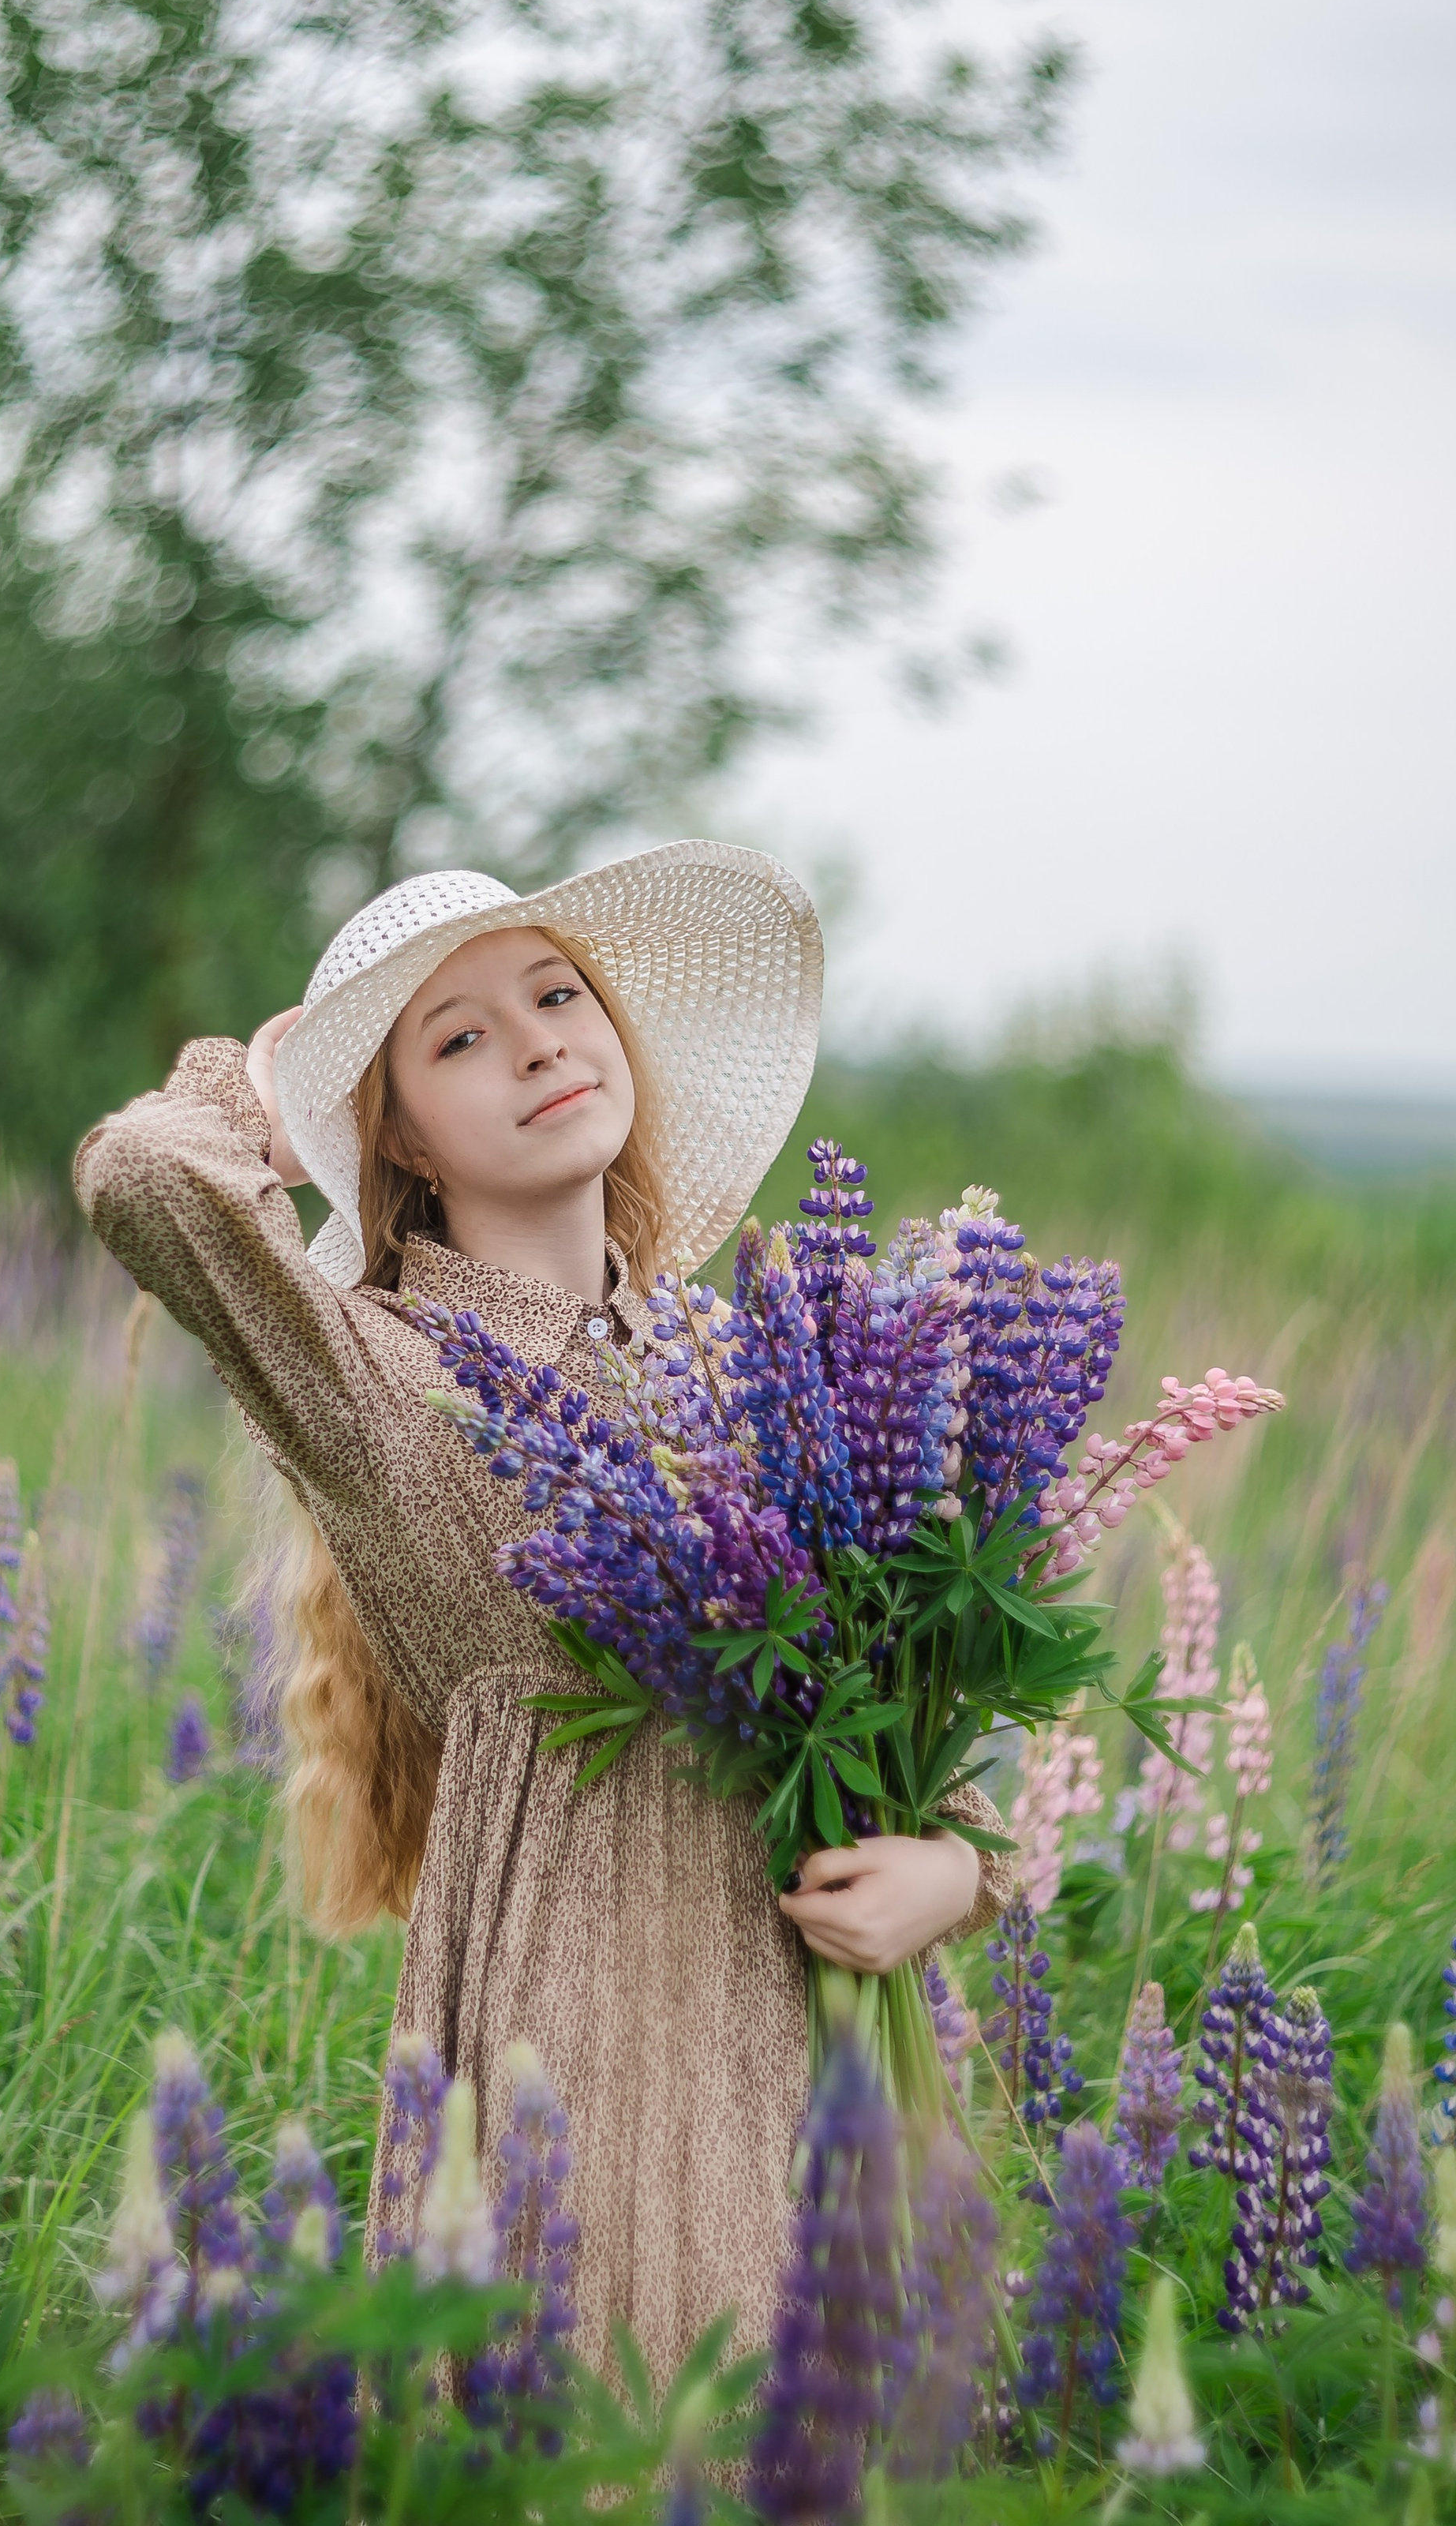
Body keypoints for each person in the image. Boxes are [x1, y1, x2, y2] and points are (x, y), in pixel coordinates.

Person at [74, 842, 1013, 2388]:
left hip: (829, 2031)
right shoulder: (380, 1372)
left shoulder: (750, 1357)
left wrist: (955, 1867)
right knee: (605, 2499)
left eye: (556, 993)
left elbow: (899, 1698)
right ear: (402, 1142)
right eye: (455, 1038)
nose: (534, 1042)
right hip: (585, 2034)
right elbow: (141, 1181)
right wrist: (262, 1083)